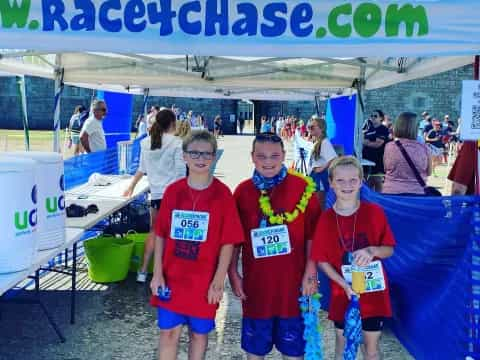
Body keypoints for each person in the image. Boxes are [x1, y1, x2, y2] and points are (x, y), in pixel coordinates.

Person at [150, 130, 244, 360]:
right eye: (194, 153)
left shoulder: (223, 195)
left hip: (203, 281)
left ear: (214, 157)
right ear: (184, 156)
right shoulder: (173, 192)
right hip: (172, 278)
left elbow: (228, 241)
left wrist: (218, 281)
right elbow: (161, 234)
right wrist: (157, 273)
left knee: (199, 335)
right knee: (168, 334)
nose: (200, 159)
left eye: (206, 154)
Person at [229, 132, 321, 360]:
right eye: (262, 156)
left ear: (283, 156)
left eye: (274, 156)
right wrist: (232, 272)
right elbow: (234, 240)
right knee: (254, 351)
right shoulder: (242, 192)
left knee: (294, 352)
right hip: (257, 288)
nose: (268, 162)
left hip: (293, 288)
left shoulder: (303, 188)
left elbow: (313, 235)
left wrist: (311, 272)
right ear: (252, 157)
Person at [311, 156, 396, 360]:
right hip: (344, 295)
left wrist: (372, 251)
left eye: (353, 180)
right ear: (331, 183)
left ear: (361, 181)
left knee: (371, 349)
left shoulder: (374, 213)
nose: (347, 185)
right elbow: (321, 260)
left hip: (373, 293)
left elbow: (389, 249)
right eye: (340, 180)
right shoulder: (326, 219)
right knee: (342, 344)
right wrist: (343, 284)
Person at [124, 109, 186, 283]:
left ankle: (143, 271)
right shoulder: (176, 143)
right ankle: (166, 273)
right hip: (174, 195)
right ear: (173, 123)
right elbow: (181, 174)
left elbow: (141, 169)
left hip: (156, 196)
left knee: (154, 232)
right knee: (172, 235)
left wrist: (131, 186)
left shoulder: (145, 143)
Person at [382, 112, 432, 195]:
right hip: (416, 193)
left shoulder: (389, 147)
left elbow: (386, 168)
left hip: (391, 193)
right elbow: (429, 172)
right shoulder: (424, 148)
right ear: (415, 128)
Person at [308, 115, 338, 208]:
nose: (310, 128)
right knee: (316, 204)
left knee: (320, 204)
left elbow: (334, 158)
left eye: (312, 127)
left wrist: (322, 168)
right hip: (315, 177)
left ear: (321, 128)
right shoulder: (318, 142)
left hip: (320, 178)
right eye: (309, 127)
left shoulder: (324, 142)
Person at [362, 109, 390, 192]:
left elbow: (378, 144)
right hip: (366, 159)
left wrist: (365, 142)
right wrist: (368, 142)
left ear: (381, 118)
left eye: (375, 116)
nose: (373, 117)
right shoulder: (369, 129)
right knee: (367, 181)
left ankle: (378, 200)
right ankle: (369, 201)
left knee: (377, 181)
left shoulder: (383, 129)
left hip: (378, 159)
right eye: (372, 116)